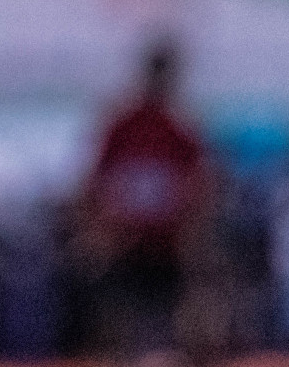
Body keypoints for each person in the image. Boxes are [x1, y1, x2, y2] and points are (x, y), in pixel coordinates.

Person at [73, 36, 207, 361]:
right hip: (125, 246)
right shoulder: (125, 127)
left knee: (162, 331)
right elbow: (95, 185)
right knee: (121, 330)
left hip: (163, 248)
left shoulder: (178, 131)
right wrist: (98, 232)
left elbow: (197, 191)